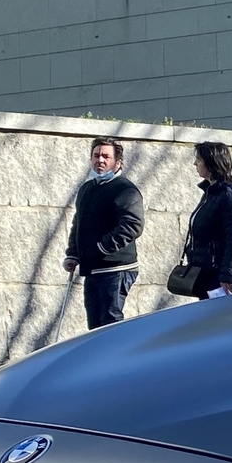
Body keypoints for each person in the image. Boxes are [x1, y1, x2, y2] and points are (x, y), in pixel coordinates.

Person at [63, 138, 144, 328]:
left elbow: (133, 225)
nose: (100, 160)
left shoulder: (124, 189)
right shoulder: (87, 189)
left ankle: (116, 359)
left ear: (118, 162)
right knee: (94, 326)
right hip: (92, 269)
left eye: (106, 156)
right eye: (96, 155)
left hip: (115, 270)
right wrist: (73, 254)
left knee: (110, 323)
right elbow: (79, 223)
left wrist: (101, 248)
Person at [179, 140, 232, 298]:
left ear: (211, 164)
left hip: (225, 277)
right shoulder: (212, 193)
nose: (194, 164)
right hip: (208, 273)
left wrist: (228, 274)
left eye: (198, 160)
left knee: (225, 322)